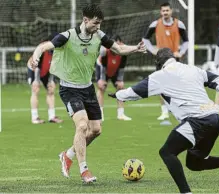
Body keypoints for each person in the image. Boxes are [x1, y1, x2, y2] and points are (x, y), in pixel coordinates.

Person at [109, 48, 219, 193]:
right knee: (194, 163)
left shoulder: (160, 75)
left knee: (167, 152)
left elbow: (135, 92)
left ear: (158, 63)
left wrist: (118, 94)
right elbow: (218, 80)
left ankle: (186, 192)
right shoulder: (193, 69)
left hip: (197, 121)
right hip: (215, 120)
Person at [30, 4, 146, 184]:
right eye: (95, 23)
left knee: (96, 130)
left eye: (100, 24)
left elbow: (119, 49)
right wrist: (36, 56)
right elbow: (45, 46)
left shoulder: (99, 35)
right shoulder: (68, 36)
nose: (98, 27)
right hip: (69, 89)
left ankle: (67, 155)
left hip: (87, 88)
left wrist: (135, 48)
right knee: (82, 125)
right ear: (85, 20)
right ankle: (84, 170)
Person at [142, 2, 189, 121]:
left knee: (178, 86)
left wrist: (181, 52)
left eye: (167, 10)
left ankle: (179, 110)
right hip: (161, 60)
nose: (165, 13)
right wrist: (153, 50)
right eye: (163, 11)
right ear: (160, 12)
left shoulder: (179, 24)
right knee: (161, 86)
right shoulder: (155, 24)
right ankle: (164, 112)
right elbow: (145, 39)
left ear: (171, 11)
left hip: (175, 59)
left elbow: (186, 41)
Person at [27, 33, 63, 124]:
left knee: (51, 90)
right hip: (34, 68)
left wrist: (51, 81)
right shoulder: (42, 49)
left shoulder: (59, 50)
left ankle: (52, 116)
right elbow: (36, 66)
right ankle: (35, 117)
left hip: (47, 69)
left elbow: (54, 66)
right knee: (36, 90)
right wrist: (36, 81)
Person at [96, 34, 131, 121]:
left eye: (119, 45)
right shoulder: (104, 51)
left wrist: (120, 80)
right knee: (101, 88)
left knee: (121, 87)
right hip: (103, 69)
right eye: (115, 45)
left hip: (115, 70)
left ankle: (121, 114)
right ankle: (100, 114)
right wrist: (102, 79)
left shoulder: (124, 52)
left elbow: (122, 67)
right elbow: (102, 66)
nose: (117, 47)